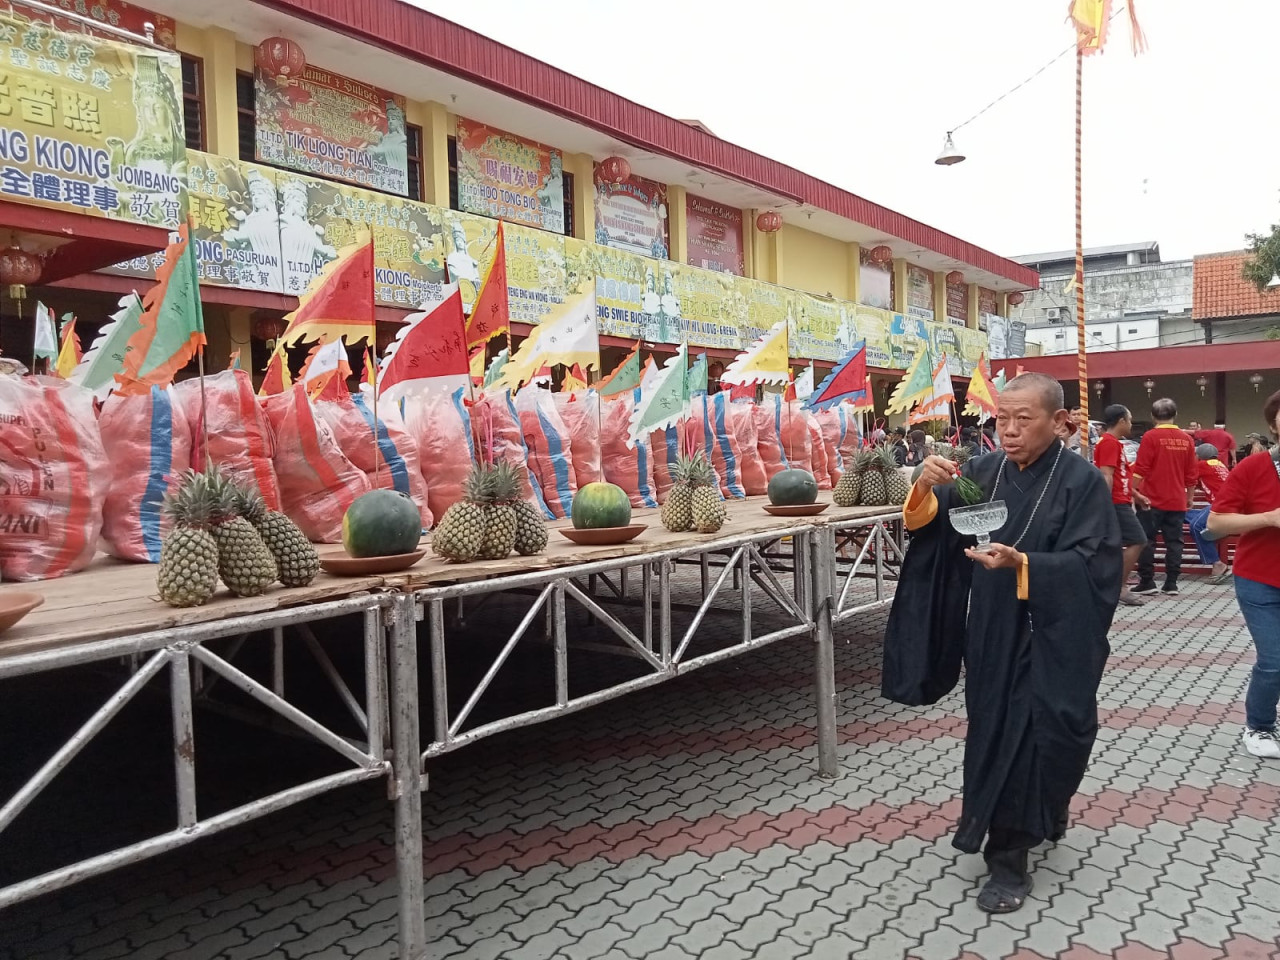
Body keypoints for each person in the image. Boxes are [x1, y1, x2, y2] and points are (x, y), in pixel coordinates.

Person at [883, 373, 1121, 913]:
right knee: (1002, 733)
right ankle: (1007, 858)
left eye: (1024, 420)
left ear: (1059, 422)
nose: (1009, 431)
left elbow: (1099, 564)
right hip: (992, 631)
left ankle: (1048, 805)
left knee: (1060, 731)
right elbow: (932, 522)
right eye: (1002, 420)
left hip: (1055, 634)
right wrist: (922, 483)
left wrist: (1028, 565)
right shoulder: (982, 473)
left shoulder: (1081, 481)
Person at [1207, 390, 1280, 759]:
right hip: (1260, 579)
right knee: (1274, 658)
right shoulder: (1253, 468)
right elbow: (1216, 521)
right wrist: (1268, 518)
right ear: (1273, 425)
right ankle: (1260, 726)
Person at [1132, 398, 1199, 596]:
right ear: (1175, 415)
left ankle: (1147, 581)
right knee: (1174, 542)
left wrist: (1132, 490)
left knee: (1146, 540)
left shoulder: (1150, 437)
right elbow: (1191, 473)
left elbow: (1141, 468)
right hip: (1177, 500)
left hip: (1150, 499)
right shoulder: (1187, 439)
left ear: (1153, 416)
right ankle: (1171, 583)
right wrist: (1190, 497)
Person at [1094, 404, 1148, 606]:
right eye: (1130, 419)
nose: (1131, 424)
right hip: (1116, 503)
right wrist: (1106, 505)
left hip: (1120, 500)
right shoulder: (1109, 443)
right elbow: (1106, 475)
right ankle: (1120, 587)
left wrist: (1136, 495)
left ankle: (1111, 585)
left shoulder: (1113, 443)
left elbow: (1119, 476)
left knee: (1114, 546)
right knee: (1138, 540)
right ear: (1121, 421)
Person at [1187, 443, 1232, 583]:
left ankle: (1217, 563)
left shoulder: (1202, 465)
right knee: (1181, 514)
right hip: (1230, 506)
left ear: (1199, 456)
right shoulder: (1220, 465)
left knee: (1196, 526)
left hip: (1221, 507)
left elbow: (1187, 480)